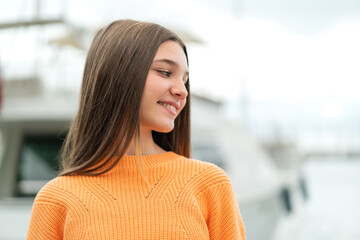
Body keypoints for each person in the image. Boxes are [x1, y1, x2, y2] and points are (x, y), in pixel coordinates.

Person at [27, 19, 246, 239]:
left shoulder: (209, 184)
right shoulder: (56, 198)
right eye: (165, 72)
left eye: (184, 79)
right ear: (118, 75)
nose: (182, 91)